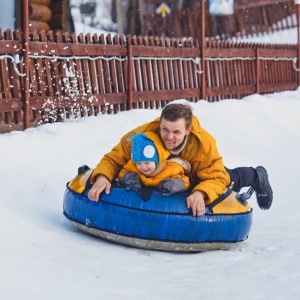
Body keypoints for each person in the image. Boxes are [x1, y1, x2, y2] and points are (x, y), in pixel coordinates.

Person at [88, 102, 273, 216]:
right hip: (168, 175)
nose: (169, 137)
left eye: (176, 132)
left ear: (188, 130)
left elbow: (216, 177)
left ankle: (258, 176)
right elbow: (114, 158)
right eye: (165, 129)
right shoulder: (143, 136)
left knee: (230, 180)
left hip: (198, 174)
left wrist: (200, 193)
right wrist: (103, 176)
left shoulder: (203, 144)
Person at [118, 131, 190, 195]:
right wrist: (128, 178)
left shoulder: (171, 169)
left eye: (147, 163)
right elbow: (122, 172)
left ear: (158, 160)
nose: (142, 167)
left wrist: (176, 184)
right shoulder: (133, 166)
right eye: (139, 163)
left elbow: (185, 180)